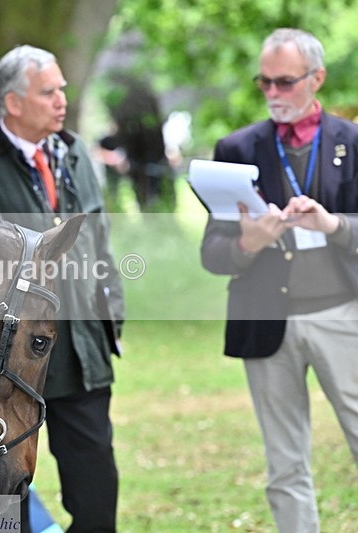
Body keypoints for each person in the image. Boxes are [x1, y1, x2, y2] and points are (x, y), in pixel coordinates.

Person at [0, 45, 125, 533]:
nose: (62, 99)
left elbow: (100, 240)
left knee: (97, 496)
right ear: (14, 102)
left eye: (62, 88)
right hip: (8, 364)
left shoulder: (75, 152)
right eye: (49, 91)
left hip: (80, 352)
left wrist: (112, 315)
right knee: (3, 498)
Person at [200, 28, 358, 533]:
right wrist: (249, 242)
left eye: (284, 82)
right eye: (264, 82)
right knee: (285, 463)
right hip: (267, 321)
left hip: (342, 317)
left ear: (317, 78)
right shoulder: (236, 147)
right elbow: (213, 253)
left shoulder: (351, 144)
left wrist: (332, 225)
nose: (272, 93)